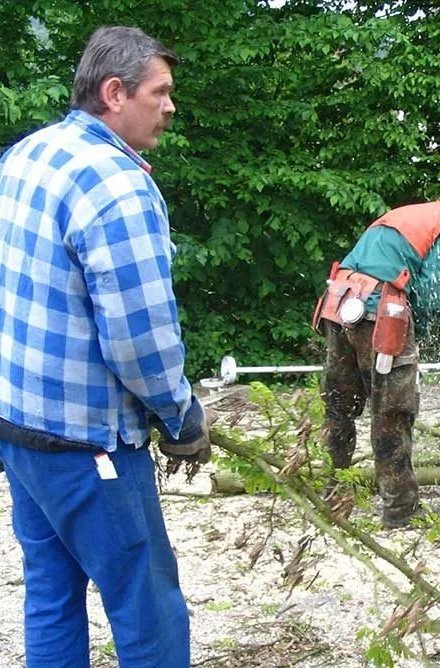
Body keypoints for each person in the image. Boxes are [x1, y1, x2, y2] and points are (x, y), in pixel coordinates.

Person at [0, 26, 210, 668]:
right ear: (115, 93)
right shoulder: (117, 187)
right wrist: (180, 416)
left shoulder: (26, 155)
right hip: (88, 443)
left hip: (18, 427)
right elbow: (139, 339)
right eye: (161, 92)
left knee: (51, 596)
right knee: (148, 612)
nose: (170, 106)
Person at [313, 178, 440, 528]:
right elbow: (434, 294)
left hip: (338, 304)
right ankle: (400, 510)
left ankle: (331, 493)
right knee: (393, 411)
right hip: (381, 314)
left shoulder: (406, 213)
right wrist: (416, 334)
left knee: (338, 406)